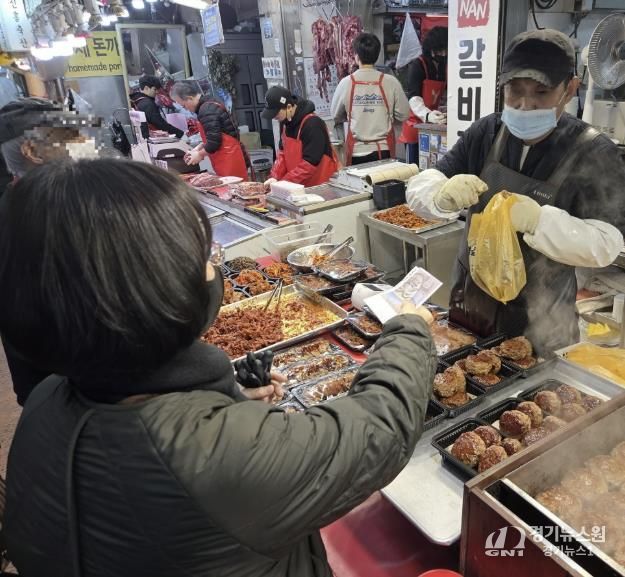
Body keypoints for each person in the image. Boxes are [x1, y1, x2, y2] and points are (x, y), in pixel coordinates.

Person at [0, 158, 436, 577]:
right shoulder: (220, 456)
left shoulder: (44, 402)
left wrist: (224, 401)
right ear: (155, 296)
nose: (212, 268)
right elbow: (381, 428)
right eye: (202, 256)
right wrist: (409, 329)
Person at [406, 29, 625, 356]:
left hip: (542, 325)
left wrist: (539, 221)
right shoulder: (487, 132)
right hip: (471, 309)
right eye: (514, 91)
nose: (525, 105)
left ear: (570, 89)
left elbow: (607, 244)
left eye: (541, 93)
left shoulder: (593, 152)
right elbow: (421, 185)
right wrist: (439, 194)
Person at [0, 105, 106, 405]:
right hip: (73, 387)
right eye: (69, 135)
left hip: (57, 384)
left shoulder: (28, 200)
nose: (84, 142)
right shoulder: (40, 216)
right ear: (31, 151)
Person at [331, 32, 410, 166]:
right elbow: (404, 114)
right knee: (383, 180)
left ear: (356, 56)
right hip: (384, 151)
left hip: (356, 153)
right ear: (377, 55)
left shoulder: (346, 83)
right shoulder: (391, 82)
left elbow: (335, 115)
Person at [170, 81, 249, 181]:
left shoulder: (206, 110)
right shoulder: (209, 103)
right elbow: (215, 134)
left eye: (184, 106)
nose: (186, 109)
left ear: (190, 98)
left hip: (229, 159)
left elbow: (214, 142)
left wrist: (199, 155)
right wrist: (200, 147)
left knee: (235, 188)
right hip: (228, 157)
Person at [262, 85, 338, 187]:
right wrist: (275, 176)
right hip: (298, 186)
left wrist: (285, 182)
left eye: (276, 113)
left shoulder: (312, 124)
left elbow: (310, 164)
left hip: (321, 187)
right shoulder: (286, 123)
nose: (274, 117)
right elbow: (282, 154)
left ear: (289, 107)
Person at [399, 26, 448, 163]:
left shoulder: (443, 67)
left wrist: (444, 110)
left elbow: (443, 94)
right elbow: (413, 98)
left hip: (434, 126)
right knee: (414, 168)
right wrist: (427, 115)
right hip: (414, 125)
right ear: (432, 49)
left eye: (446, 50)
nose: (444, 54)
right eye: (440, 50)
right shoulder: (418, 65)